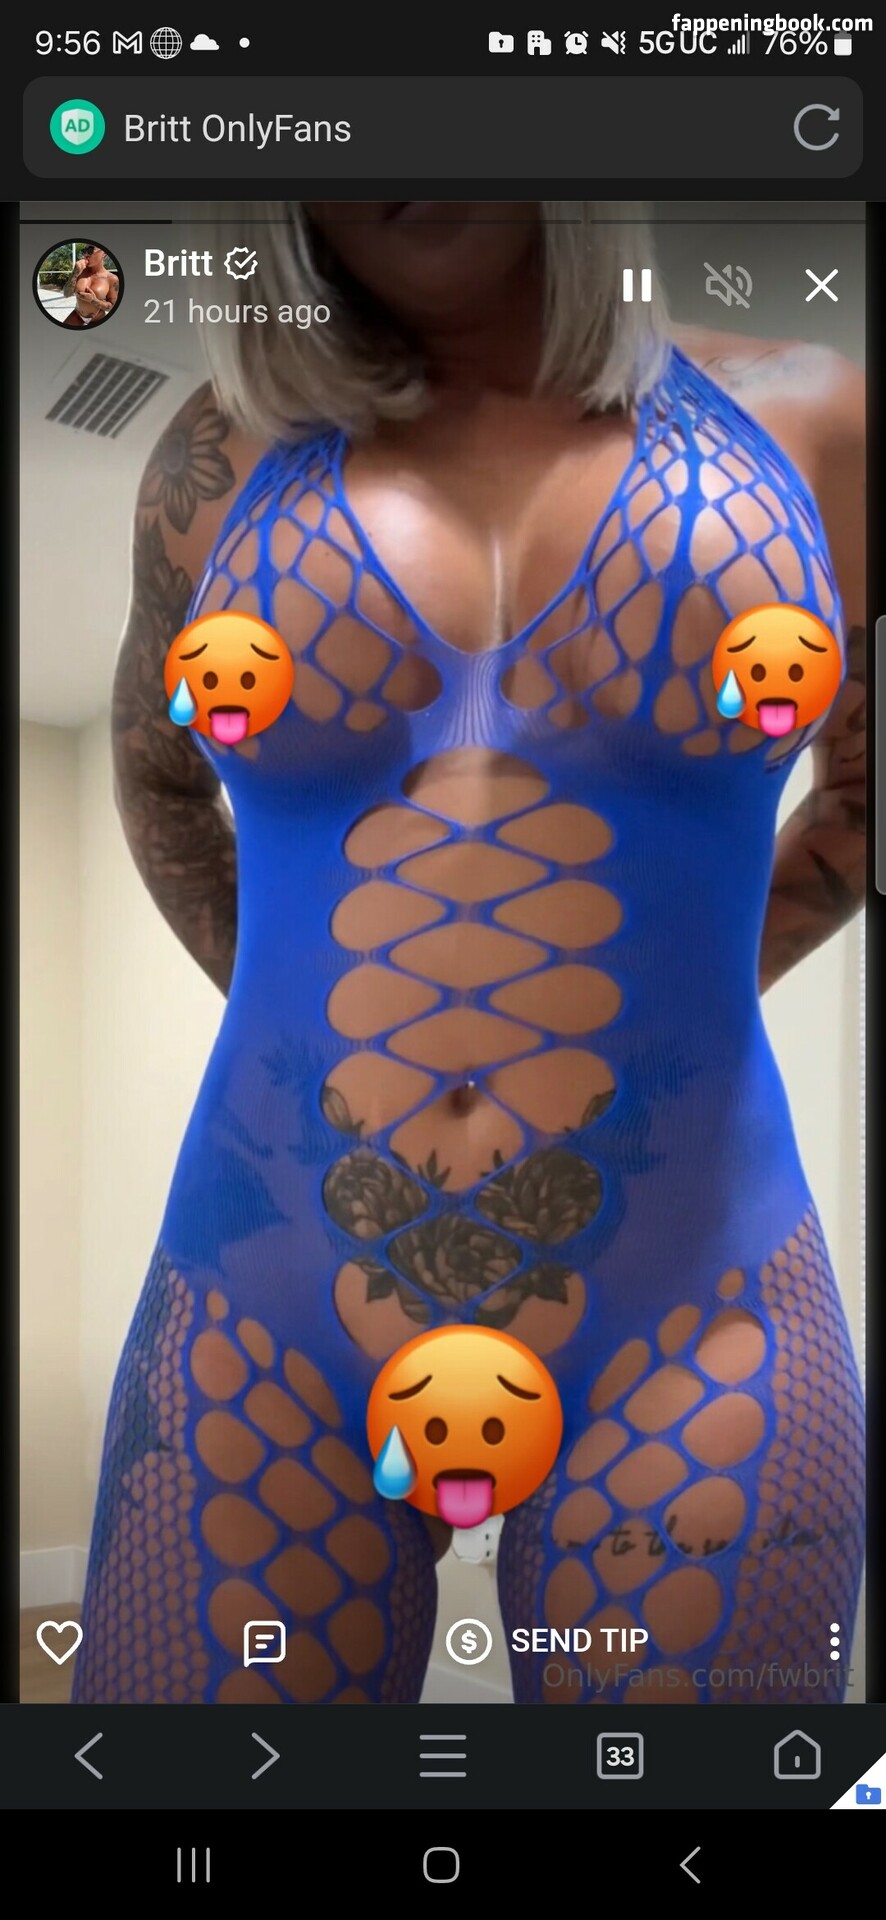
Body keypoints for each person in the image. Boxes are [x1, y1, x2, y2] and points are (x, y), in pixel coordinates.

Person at [72, 201, 865, 1708]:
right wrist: (307, 1017)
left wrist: (690, 998)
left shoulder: (819, 422)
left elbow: (860, 796)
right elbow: (161, 778)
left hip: (696, 1311)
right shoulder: (217, 454)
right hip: (264, 1308)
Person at [61, 242, 118, 327]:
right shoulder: (80, 271)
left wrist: (94, 300)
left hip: (98, 318)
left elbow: (112, 307)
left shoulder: (112, 279)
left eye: (90, 250)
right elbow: (66, 294)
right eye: (84, 251)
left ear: (104, 254)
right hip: (78, 314)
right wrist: (75, 273)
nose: (86, 254)